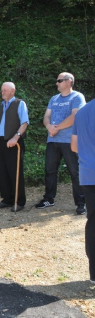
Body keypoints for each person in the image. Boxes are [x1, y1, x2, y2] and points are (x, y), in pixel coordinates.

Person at [36, 72, 86, 215]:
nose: (56, 83)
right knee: (50, 171)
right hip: (53, 140)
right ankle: (49, 199)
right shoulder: (54, 98)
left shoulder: (77, 97)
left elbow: (76, 116)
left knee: (75, 172)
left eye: (59, 80)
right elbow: (47, 116)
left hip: (70, 140)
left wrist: (56, 128)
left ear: (69, 81)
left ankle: (81, 202)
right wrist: (49, 127)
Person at [0, 82, 29, 212]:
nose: (2, 92)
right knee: (3, 171)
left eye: (5, 90)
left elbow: (24, 123)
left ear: (12, 91)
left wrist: (16, 137)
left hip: (15, 142)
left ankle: (19, 201)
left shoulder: (20, 104)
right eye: (2, 90)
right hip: (1, 141)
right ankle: (7, 199)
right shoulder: (0, 107)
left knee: (15, 171)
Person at [71, 98, 95, 282]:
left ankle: (94, 274)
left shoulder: (82, 112)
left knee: (93, 223)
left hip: (88, 174)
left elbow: (73, 146)